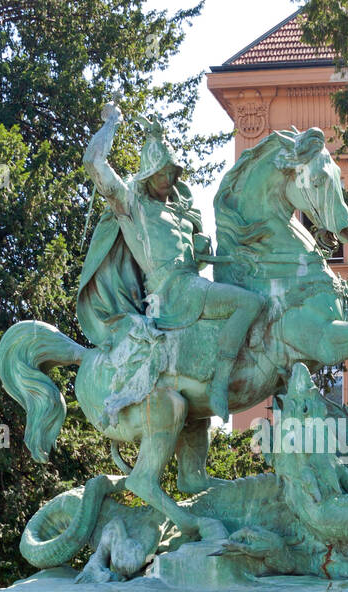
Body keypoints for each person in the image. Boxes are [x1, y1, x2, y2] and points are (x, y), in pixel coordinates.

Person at [81, 102, 264, 420]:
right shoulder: (131, 206)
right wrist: (112, 121)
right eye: (161, 171)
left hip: (191, 285)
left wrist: (203, 250)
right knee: (249, 304)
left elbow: (195, 259)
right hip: (170, 292)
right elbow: (94, 161)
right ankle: (219, 384)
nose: (168, 177)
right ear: (148, 173)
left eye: (172, 171)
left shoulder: (182, 212)